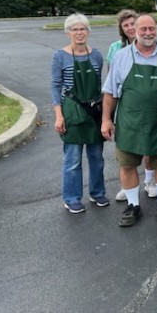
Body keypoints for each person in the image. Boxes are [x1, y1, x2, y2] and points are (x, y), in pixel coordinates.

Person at [101, 14, 157, 227]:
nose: (148, 33)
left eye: (151, 28)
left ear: (156, 29)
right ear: (135, 31)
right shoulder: (121, 57)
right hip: (129, 123)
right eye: (143, 29)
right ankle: (133, 205)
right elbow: (110, 93)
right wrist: (106, 120)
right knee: (127, 165)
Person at [52, 14, 107, 213]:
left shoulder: (97, 55)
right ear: (68, 33)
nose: (79, 33)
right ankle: (72, 197)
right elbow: (55, 86)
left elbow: (100, 84)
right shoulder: (60, 56)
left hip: (93, 112)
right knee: (73, 160)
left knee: (97, 157)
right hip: (72, 111)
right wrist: (59, 115)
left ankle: (97, 192)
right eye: (75, 29)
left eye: (82, 29)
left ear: (88, 32)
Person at [108, 10, 157, 202]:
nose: (129, 28)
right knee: (127, 148)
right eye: (126, 25)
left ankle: (150, 181)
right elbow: (111, 80)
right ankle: (128, 186)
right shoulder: (116, 49)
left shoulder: (152, 46)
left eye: (132, 23)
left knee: (149, 146)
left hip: (148, 106)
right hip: (126, 104)